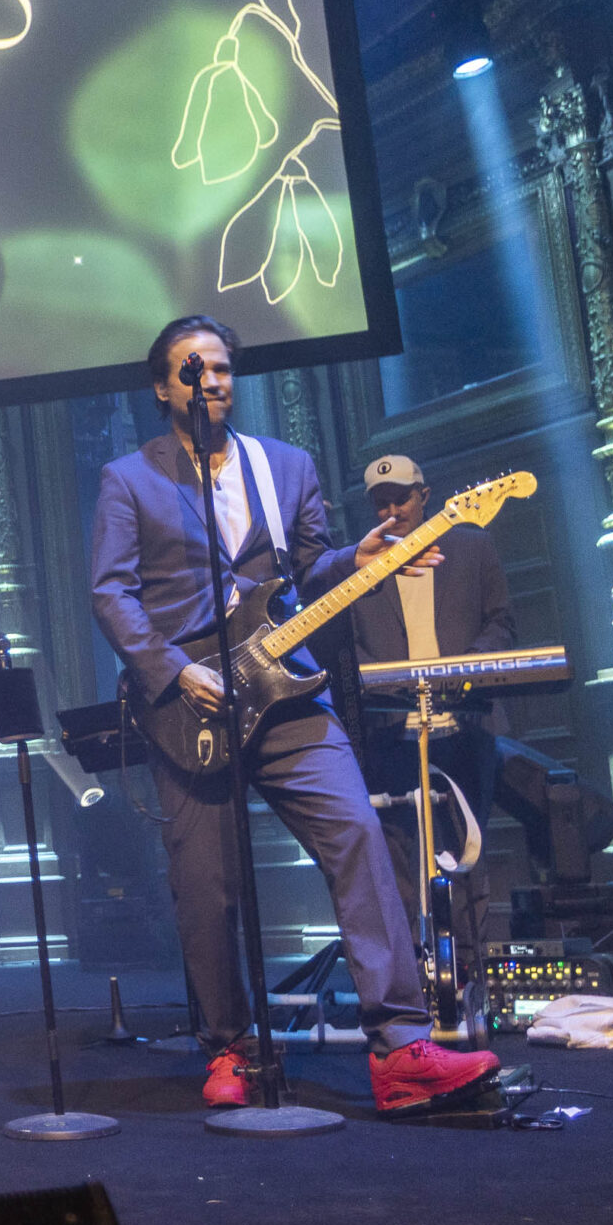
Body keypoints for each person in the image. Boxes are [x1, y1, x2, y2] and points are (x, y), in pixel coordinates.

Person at [88, 316, 499, 1115]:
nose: (212, 380)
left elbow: (308, 572)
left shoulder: (285, 465)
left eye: (222, 367)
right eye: (193, 368)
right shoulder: (129, 479)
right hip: (190, 700)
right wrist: (174, 669)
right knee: (206, 885)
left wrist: (358, 560)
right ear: (163, 387)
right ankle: (230, 1046)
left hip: (289, 691)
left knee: (358, 834)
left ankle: (401, 1046)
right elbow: (111, 593)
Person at [345, 454, 517, 826]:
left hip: (466, 722)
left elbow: (501, 622)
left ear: (424, 496)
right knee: (403, 846)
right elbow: (349, 643)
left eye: (401, 499)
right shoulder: (359, 565)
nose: (392, 511)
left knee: (469, 843)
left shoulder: (474, 547)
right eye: (382, 504)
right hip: (392, 730)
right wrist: (386, 683)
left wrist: (469, 664)